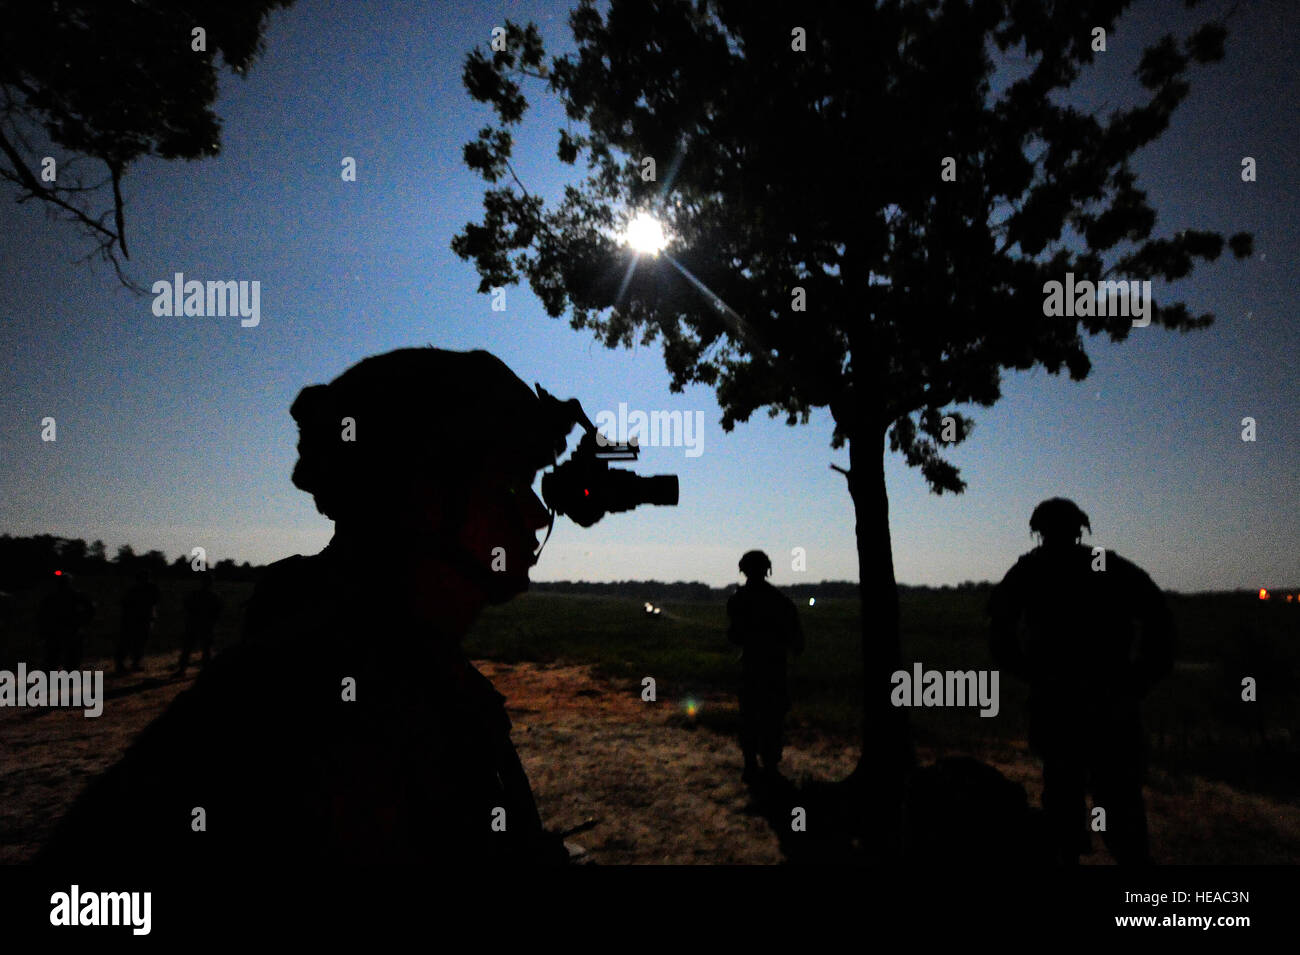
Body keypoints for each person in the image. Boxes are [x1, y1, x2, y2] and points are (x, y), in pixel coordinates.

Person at [41, 348, 578, 864]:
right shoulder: (276, 712)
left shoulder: (414, 663)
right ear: (422, 498)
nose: (534, 515)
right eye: (510, 485)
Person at [988, 497, 1175, 865]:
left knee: (1069, 805)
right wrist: (1141, 677)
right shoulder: (1105, 566)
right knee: (1111, 805)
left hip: (1068, 707)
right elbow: (1159, 615)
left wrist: (1033, 675)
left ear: (1038, 531)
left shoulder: (1034, 570)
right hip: (1104, 706)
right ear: (1079, 528)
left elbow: (999, 636)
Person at [727, 550, 804, 784]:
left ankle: (751, 764)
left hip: (751, 669)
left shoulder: (738, 600)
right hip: (775, 670)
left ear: (744, 569)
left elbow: (735, 636)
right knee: (772, 719)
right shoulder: (781, 601)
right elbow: (797, 641)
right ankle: (769, 766)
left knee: (749, 717)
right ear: (767, 569)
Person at [36, 571, 95, 670]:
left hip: (58, 629)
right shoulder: (75, 595)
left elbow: (41, 614)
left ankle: (52, 676)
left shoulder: (51, 597)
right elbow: (90, 608)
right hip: (69, 629)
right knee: (70, 655)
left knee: (54, 655)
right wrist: (84, 621)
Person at [176, 574, 224, 675]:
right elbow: (218, 611)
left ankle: (182, 669)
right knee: (204, 649)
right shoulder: (214, 596)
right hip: (205, 625)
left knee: (189, 648)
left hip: (195, 624)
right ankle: (205, 670)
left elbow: (186, 605)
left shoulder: (195, 594)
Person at [116, 569, 160, 673]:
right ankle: (131, 663)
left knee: (133, 642)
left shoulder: (134, 589)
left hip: (135, 619)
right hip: (142, 619)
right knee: (138, 642)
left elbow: (124, 603)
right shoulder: (150, 588)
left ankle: (125, 663)